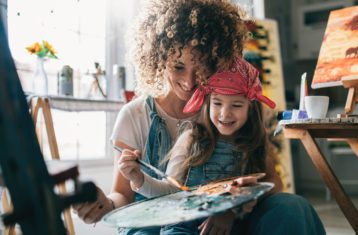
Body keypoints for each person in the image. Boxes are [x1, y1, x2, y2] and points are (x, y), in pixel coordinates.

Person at [73, 0, 247, 234]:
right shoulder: (134, 115)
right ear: (158, 58)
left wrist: (231, 209)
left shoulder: (223, 112)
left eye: (201, 66)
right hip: (148, 224)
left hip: (208, 223)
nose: (189, 81)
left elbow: (262, 176)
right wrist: (105, 205)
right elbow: (123, 195)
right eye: (178, 67)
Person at [118, 58, 325, 235]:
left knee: (293, 206)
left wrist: (233, 209)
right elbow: (169, 192)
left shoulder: (253, 143)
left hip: (234, 225)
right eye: (217, 103)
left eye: (236, 105)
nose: (225, 114)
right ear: (206, 103)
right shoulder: (191, 139)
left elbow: (274, 183)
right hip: (187, 226)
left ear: (250, 109)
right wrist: (138, 179)